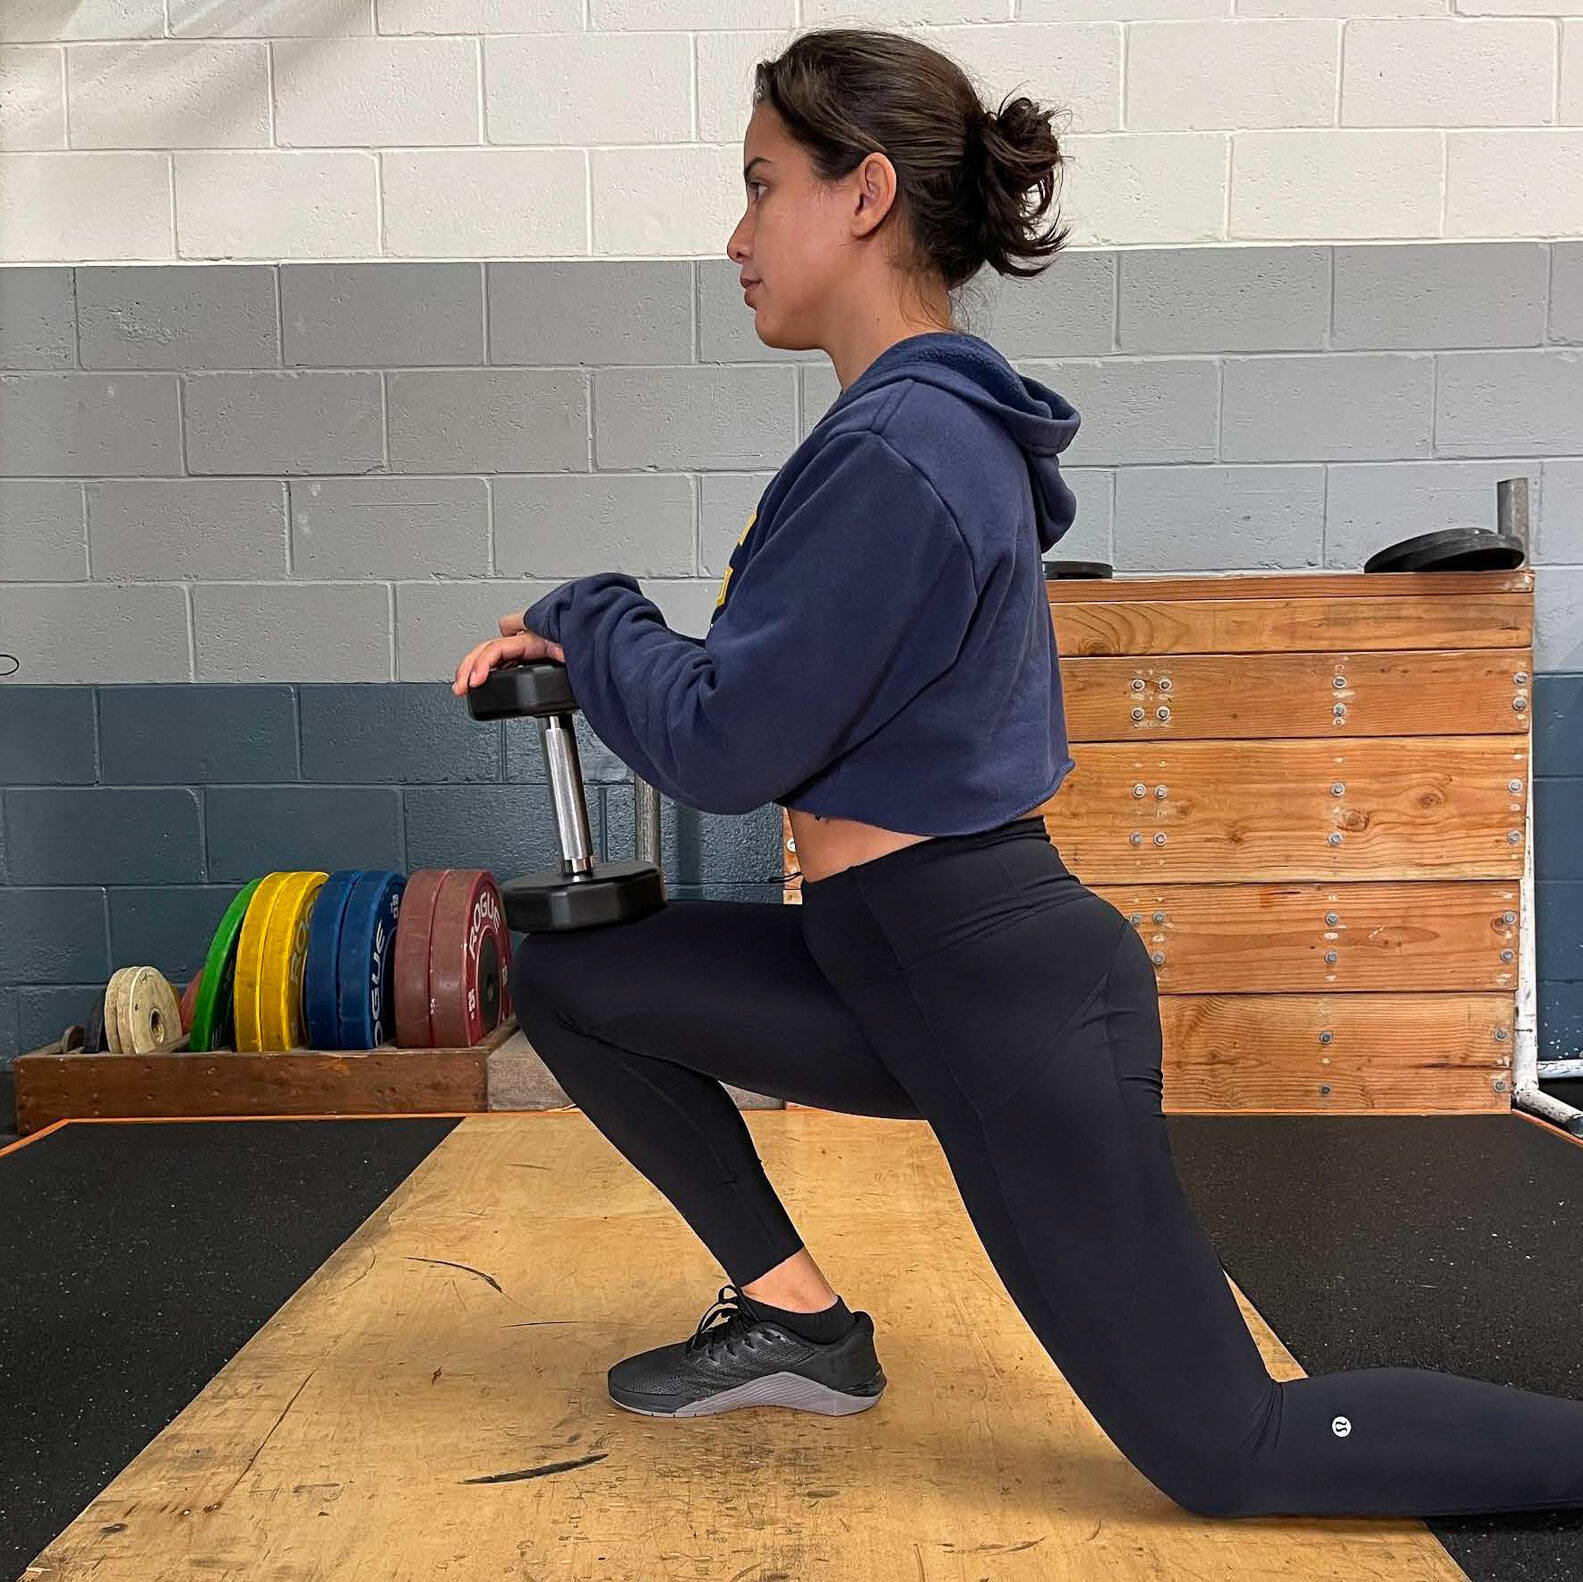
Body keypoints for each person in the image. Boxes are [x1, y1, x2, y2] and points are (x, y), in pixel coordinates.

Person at [451, 26, 1583, 1521]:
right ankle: (796, 1322)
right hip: (890, 972)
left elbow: (728, 743)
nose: (735, 236)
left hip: (994, 993)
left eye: (759, 187)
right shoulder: (901, 432)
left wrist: (591, 615)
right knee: (579, 971)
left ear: (863, 196)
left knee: (1226, 1448)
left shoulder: (906, 450)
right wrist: (608, 639)